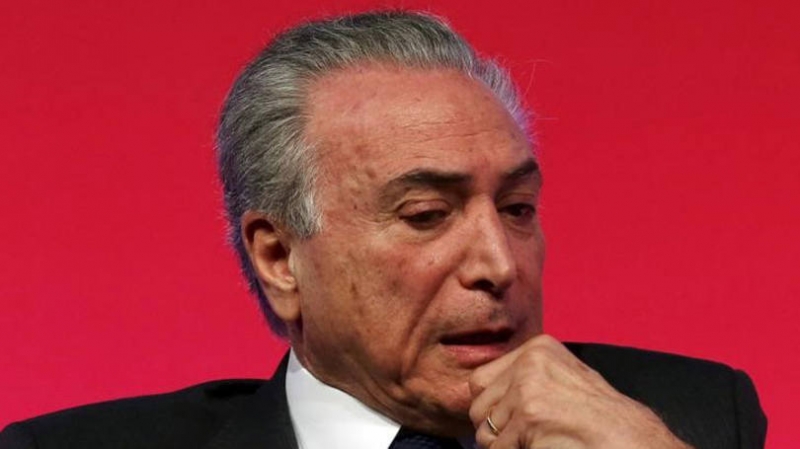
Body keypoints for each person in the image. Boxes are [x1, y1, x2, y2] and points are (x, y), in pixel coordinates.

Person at [0, 10, 766, 449]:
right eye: (426, 215)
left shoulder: (692, 415)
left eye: (517, 208)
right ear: (280, 257)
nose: (499, 263)